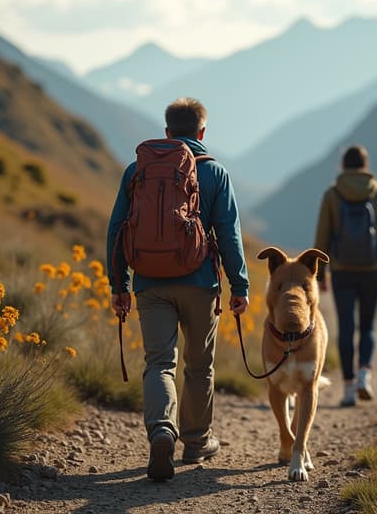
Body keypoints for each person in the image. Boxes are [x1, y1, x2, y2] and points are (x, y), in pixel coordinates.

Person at [107, 97, 249, 481]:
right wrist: (240, 285)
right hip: (201, 283)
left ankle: (161, 431)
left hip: (150, 283)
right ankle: (197, 441)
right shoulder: (215, 172)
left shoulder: (138, 170)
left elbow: (117, 229)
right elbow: (229, 234)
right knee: (199, 366)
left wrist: (119, 285)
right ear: (202, 132)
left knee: (159, 363)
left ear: (168, 132)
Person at [313, 145, 377, 407]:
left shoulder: (332, 195)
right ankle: (365, 374)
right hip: (372, 269)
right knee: (367, 326)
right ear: (365, 165)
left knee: (345, 328)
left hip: (341, 270)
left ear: (342, 166)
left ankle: (349, 388)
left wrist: (320, 274)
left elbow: (322, 236)